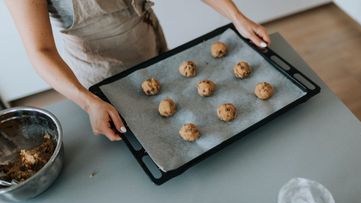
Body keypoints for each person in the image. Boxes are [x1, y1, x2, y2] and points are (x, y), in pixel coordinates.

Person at [6, 0, 271, 141]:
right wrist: (88, 104)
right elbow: (40, 51)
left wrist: (236, 16)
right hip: (102, 72)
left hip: (151, 44)